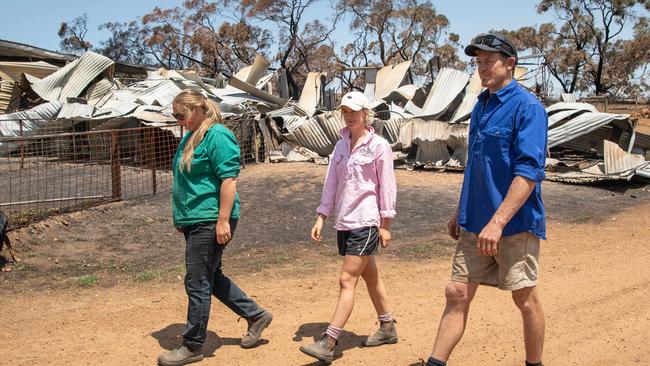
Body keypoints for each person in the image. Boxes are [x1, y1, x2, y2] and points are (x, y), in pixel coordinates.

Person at [424, 34, 548, 366]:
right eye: (478, 62)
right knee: (457, 293)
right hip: (475, 221)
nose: (481, 68)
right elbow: (478, 166)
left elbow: (528, 172)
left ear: (510, 64)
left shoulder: (528, 108)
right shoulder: (481, 105)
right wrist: (459, 211)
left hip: (514, 225)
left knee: (524, 299)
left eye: (488, 61)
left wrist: (498, 221)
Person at [158, 90, 272, 366]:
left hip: (211, 219)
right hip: (195, 219)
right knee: (211, 276)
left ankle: (193, 345)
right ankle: (256, 315)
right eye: (175, 116)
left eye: (180, 115)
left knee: (197, 281)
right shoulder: (191, 135)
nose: (178, 120)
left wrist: (222, 220)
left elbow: (229, 180)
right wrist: (182, 218)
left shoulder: (217, 135)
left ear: (197, 109)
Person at [299, 91, 398, 364]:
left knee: (347, 280)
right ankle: (388, 327)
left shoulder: (378, 146)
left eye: (354, 110)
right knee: (370, 277)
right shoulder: (340, 146)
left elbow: (387, 186)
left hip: (367, 222)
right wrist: (322, 216)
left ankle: (329, 342)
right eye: (345, 111)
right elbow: (331, 182)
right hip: (345, 221)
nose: (350, 115)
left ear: (365, 113)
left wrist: (385, 224)